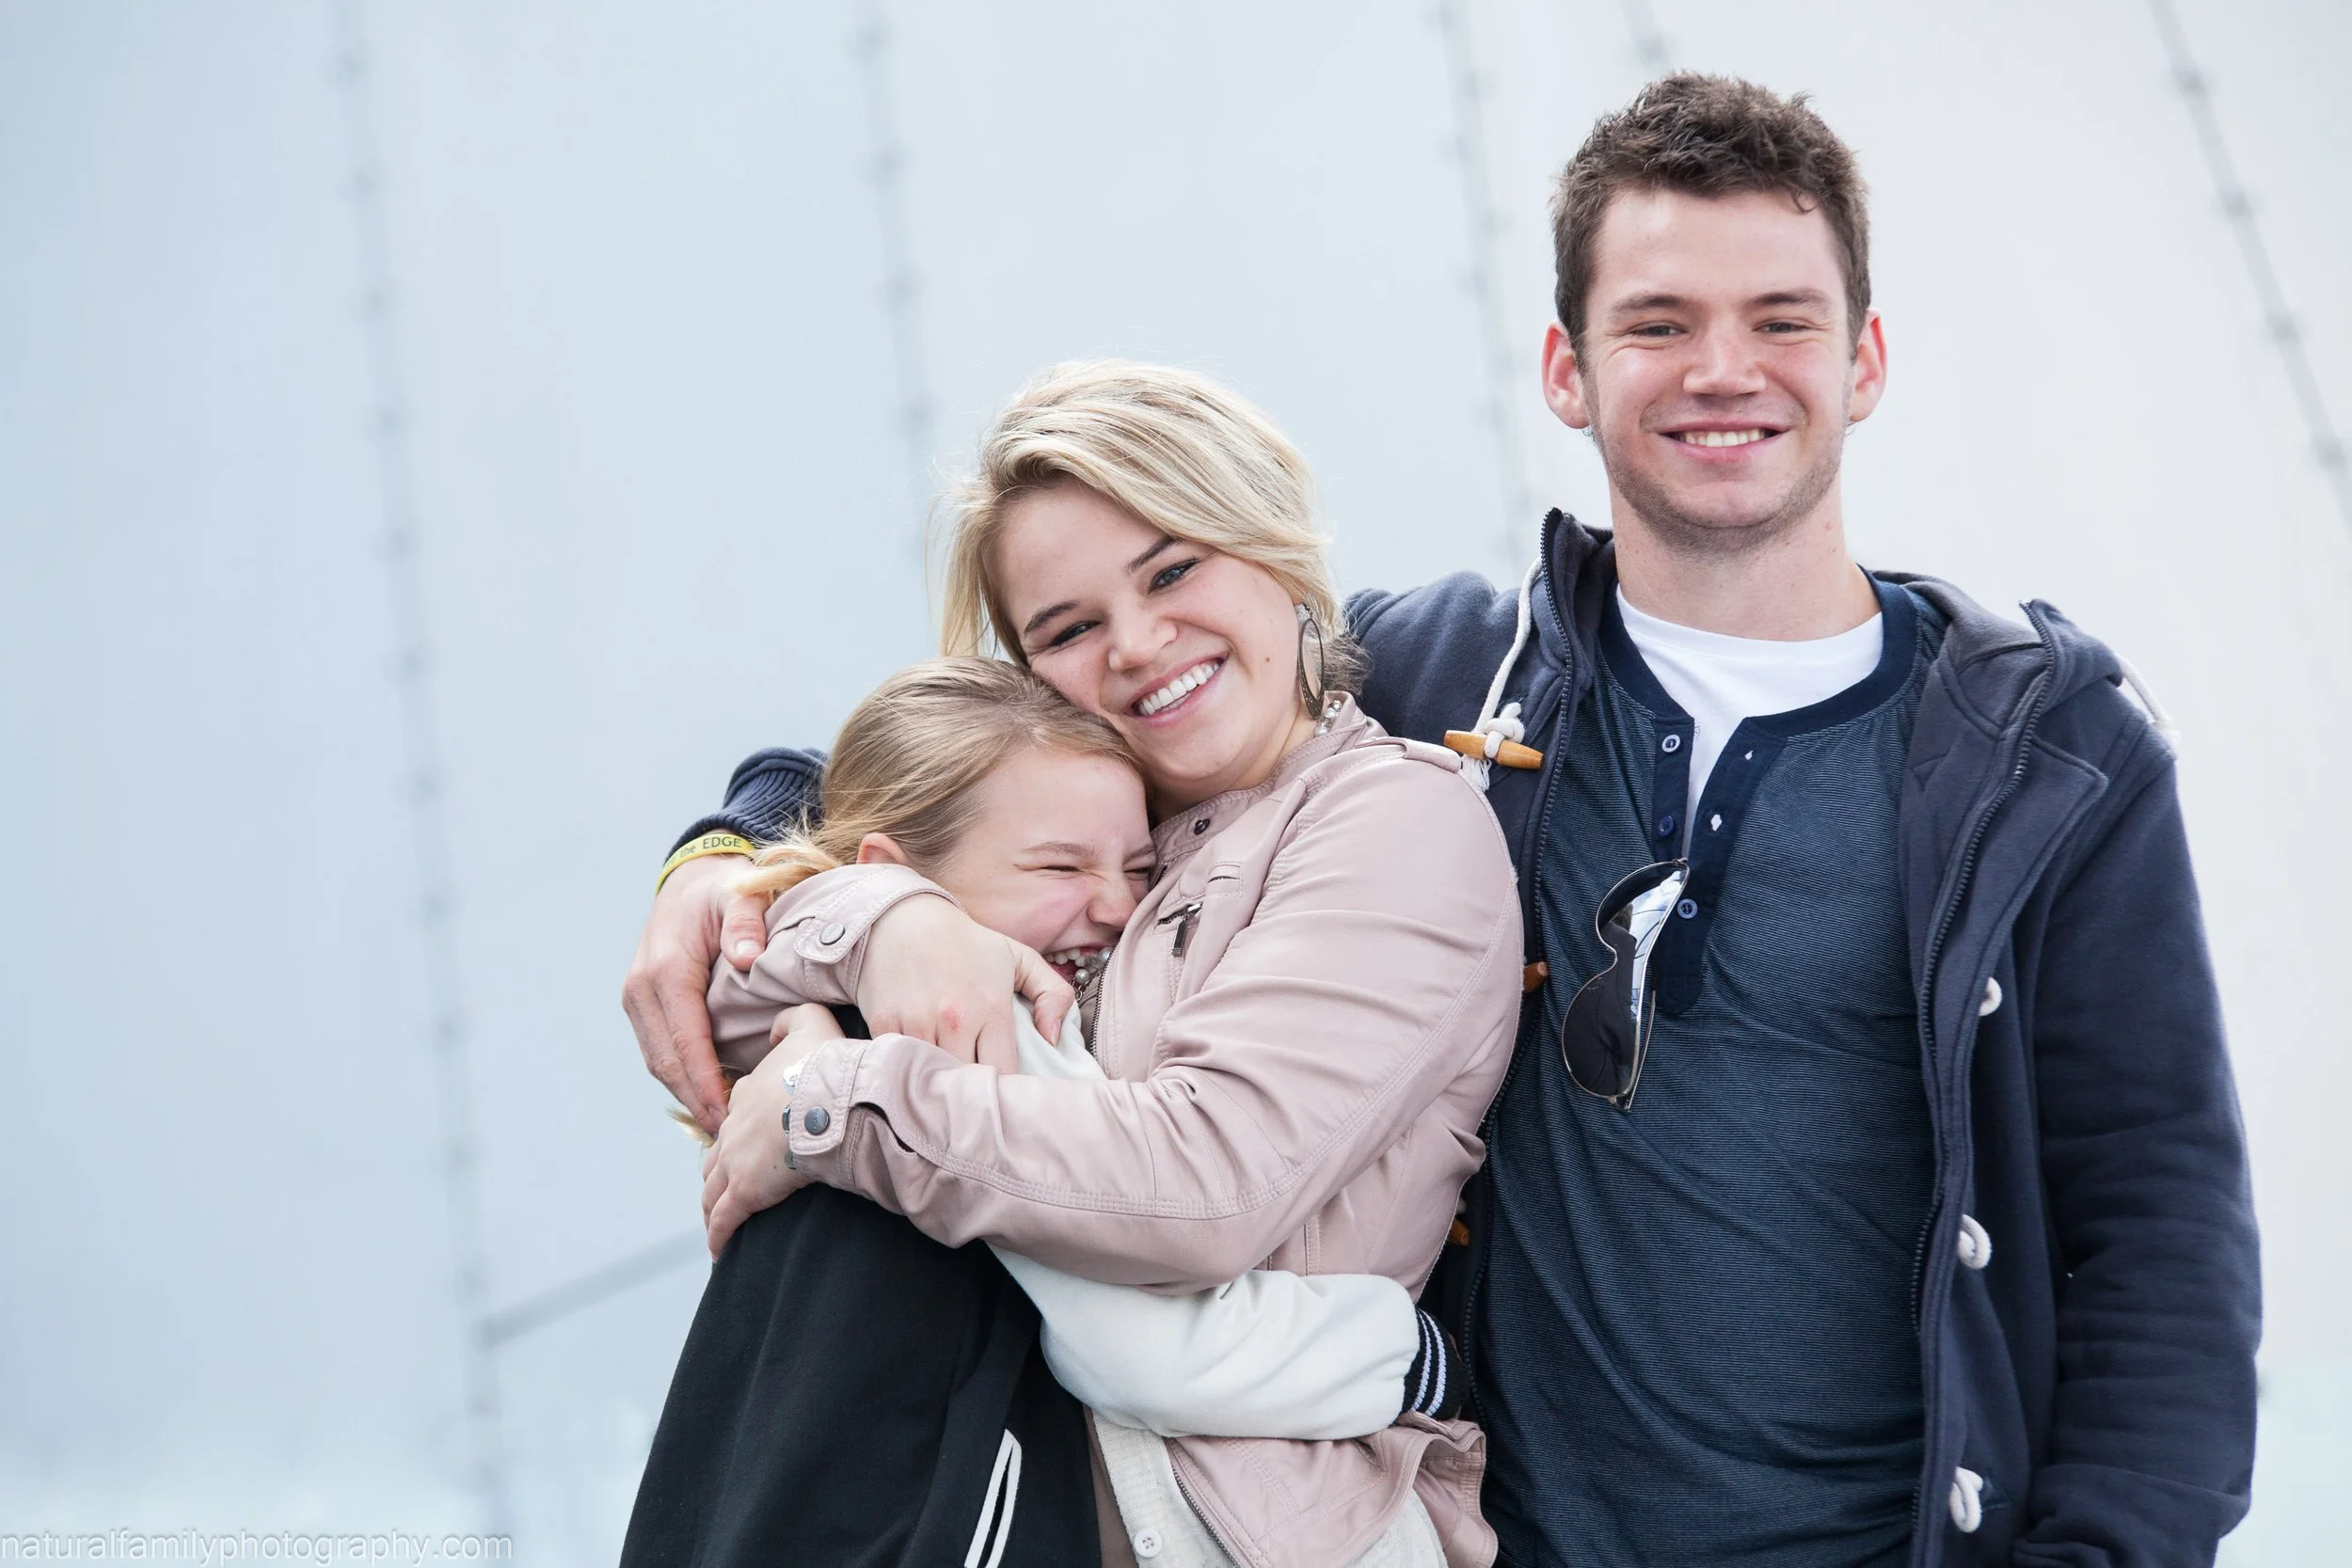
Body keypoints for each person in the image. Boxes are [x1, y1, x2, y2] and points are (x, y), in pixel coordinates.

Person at [628, 75, 2260, 1568]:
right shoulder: (1447, 678)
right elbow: (943, 757)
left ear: (1866, 359)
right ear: (1568, 366)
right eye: (1656, 322)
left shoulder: (2040, 752)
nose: (1720, 371)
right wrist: (764, 865)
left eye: (1780, 318)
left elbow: (2159, 1241)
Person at [668, 364, 1524, 1567]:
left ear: (1273, 551)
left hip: (1214, 1520)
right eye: (1067, 628)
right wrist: (880, 919)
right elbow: (725, 973)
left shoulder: (1388, 822)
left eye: (1172, 569)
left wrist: (833, 1101)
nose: (1136, 644)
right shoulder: (1072, 845)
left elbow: (1204, 1186)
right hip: (992, 1471)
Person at [626, 658, 1463, 1568]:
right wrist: (1410, 1354)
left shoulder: (821, 1015)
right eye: (1060, 865)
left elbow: (749, 932)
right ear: (899, 873)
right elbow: (1148, 1353)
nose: (1116, 906)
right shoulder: (977, 1022)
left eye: (1141, 866)